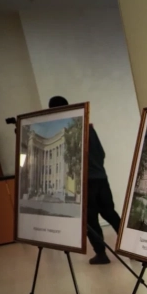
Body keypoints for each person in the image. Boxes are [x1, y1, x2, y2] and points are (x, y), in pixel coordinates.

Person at [48, 96, 122, 265]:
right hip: (101, 179)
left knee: (90, 220)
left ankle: (101, 254)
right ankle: (132, 249)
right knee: (110, 213)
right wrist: (96, 168)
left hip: (84, 183)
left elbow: (67, 160)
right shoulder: (87, 126)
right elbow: (101, 153)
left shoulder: (64, 131)